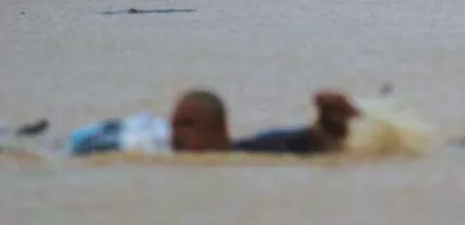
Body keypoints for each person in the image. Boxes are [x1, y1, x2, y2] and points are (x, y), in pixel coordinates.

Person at [68, 89, 361, 157]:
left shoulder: (256, 151)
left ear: (220, 130)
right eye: (175, 125)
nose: (176, 134)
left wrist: (331, 120)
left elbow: (317, 139)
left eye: (187, 124)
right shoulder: (154, 155)